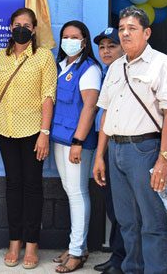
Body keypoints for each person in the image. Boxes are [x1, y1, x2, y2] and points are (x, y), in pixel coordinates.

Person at [92, 6, 167, 274]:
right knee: (127, 220)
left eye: (132, 28)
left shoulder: (162, 64)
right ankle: (133, 268)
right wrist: (99, 155)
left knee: (151, 221)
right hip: (116, 149)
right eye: (122, 29)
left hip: (145, 149)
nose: (125, 34)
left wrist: (165, 158)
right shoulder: (115, 67)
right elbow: (106, 112)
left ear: (147, 33)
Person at [0, 7, 57, 269]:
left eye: (26, 25)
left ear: (33, 30)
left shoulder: (43, 56)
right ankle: (14, 242)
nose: (21, 29)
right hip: (5, 129)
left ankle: (32, 244)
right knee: (13, 186)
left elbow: (48, 95)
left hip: (33, 130)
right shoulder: (1, 56)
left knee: (32, 186)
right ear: (10, 28)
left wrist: (44, 133)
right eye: (17, 25)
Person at [50, 20, 102, 273]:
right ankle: (77, 246)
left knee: (77, 193)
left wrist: (78, 142)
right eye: (65, 36)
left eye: (75, 37)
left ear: (84, 41)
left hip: (76, 142)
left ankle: (77, 252)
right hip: (60, 138)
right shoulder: (62, 65)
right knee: (70, 190)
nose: (69, 41)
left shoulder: (89, 69)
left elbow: (90, 108)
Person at [91, 27, 126, 274]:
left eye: (112, 46)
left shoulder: (124, 73)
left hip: (120, 144)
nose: (106, 51)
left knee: (122, 208)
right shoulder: (106, 73)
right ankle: (117, 256)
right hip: (105, 144)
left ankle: (123, 260)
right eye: (102, 47)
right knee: (113, 206)